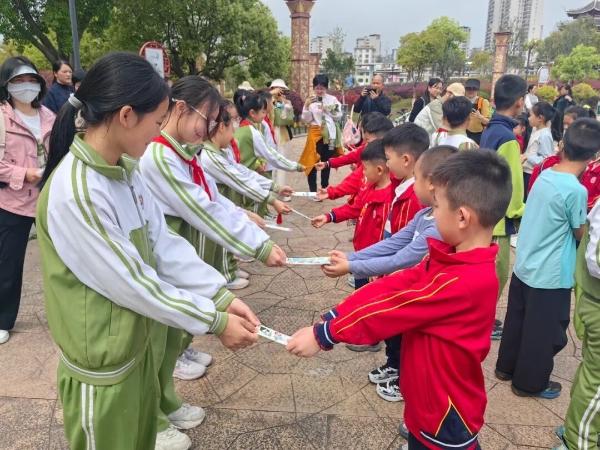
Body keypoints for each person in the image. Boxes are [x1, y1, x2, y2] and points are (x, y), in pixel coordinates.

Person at [37, 52, 259, 450]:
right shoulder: (78, 191)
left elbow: (162, 243)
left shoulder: (124, 172)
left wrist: (219, 295)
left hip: (133, 349)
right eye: (157, 123)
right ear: (126, 116)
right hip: (102, 370)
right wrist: (214, 320)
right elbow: (133, 282)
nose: (158, 133)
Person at [287, 150, 512, 450]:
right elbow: (395, 286)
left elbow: (392, 307)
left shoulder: (461, 281)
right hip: (427, 400)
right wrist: (336, 314)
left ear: (462, 217)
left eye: (437, 206)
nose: (432, 213)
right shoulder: (450, 257)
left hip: (445, 413)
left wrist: (324, 334)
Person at [321, 145, 457, 409]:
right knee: (402, 340)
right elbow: (394, 243)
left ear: (433, 184)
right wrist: (352, 257)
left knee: (417, 350)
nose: (412, 184)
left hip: (421, 296)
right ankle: (401, 375)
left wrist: (352, 266)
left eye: (416, 178)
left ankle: (410, 387)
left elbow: (402, 258)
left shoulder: (438, 227)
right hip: (407, 287)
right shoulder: (424, 215)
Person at [495, 119, 599, 401]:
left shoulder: (545, 174)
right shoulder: (576, 190)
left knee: (517, 319)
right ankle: (529, 383)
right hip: (551, 272)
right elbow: (579, 230)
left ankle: (505, 367)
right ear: (592, 157)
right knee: (543, 330)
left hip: (525, 263)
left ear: (563, 145)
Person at [0, 56, 54, 345]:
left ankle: (64, 313)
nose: (26, 86)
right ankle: (3, 319)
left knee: (62, 258)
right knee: (8, 264)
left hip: (48, 199)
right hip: (13, 202)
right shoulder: (2, 118)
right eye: (18, 80)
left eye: (31, 79)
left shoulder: (49, 116)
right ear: (6, 85)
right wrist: (25, 174)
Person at [560, 122, 600, 448]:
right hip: (595, 303)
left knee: (591, 373)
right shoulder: (576, 189)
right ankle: (579, 441)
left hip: (590, 300)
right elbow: (594, 258)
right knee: (595, 382)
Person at [480, 74, 527, 340]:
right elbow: (513, 184)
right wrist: (518, 212)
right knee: (497, 276)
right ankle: (482, 322)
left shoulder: (490, 129)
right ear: (519, 101)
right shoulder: (508, 137)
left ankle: (483, 317)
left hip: (485, 210)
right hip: (498, 219)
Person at [311, 139, 393, 290]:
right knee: (359, 290)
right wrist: (329, 216)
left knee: (368, 297)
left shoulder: (389, 201)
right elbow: (355, 208)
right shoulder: (369, 187)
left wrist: (379, 268)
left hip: (374, 263)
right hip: (361, 254)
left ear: (379, 170)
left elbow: (386, 242)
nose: (362, 173)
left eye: (365, 169)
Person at [234, 90, 303, 216]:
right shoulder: (252, 132)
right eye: (263, 112)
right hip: (250, 177)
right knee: (254, 213)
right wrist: (295, 166)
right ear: (252, 113)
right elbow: (270, 155)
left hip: (244, 177)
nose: (265, 114)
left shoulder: (243, 128)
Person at [316, 113, 393, 203]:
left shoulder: (382, 166)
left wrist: (333, 192)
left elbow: (356, 179)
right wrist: (328, 163)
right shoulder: (369, 150)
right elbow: (350, 160)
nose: (365, 142)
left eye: (361, 130)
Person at [298, 74, 343, 192]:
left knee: (326, 162)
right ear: (313, 87)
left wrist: (327, 108)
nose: (319, 91)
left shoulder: (332, 99)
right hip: (315, 134)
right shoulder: (310, 100)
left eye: (322, 88)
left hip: (330, 135)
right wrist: (306, 106)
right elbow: (306, 119)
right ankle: (313, 191)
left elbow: (339, 115)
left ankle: (324, 187)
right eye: (317, 88)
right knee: (311, 161)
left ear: (326, 88)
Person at [521, 102, 556, 197]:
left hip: (532, 174)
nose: (528, 118)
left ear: (540, 118)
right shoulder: (536, 130)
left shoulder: (545, 135)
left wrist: (527, 157)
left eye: (531, 115)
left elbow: (546, 160)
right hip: (526, 170)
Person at [269, 79, 295, 189]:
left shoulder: (286, 103)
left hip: (282, 135)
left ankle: (281, 187)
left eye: (282, 90)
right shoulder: (267, 101)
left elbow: (289, 118)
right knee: (269, 161)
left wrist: (285, 104)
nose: (280, 92)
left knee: (281, 161)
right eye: (277, 89)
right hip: (270, 133)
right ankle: (271, 187)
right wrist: (271, 96)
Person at [465, 79, 491, 145]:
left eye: (473, 89)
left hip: (477, 135)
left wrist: (480, 117)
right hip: (464, 133)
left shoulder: (483, 102)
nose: (471, 91)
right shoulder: (462, 101)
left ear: (477, 90)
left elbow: (488, 122)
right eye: (468, 88)